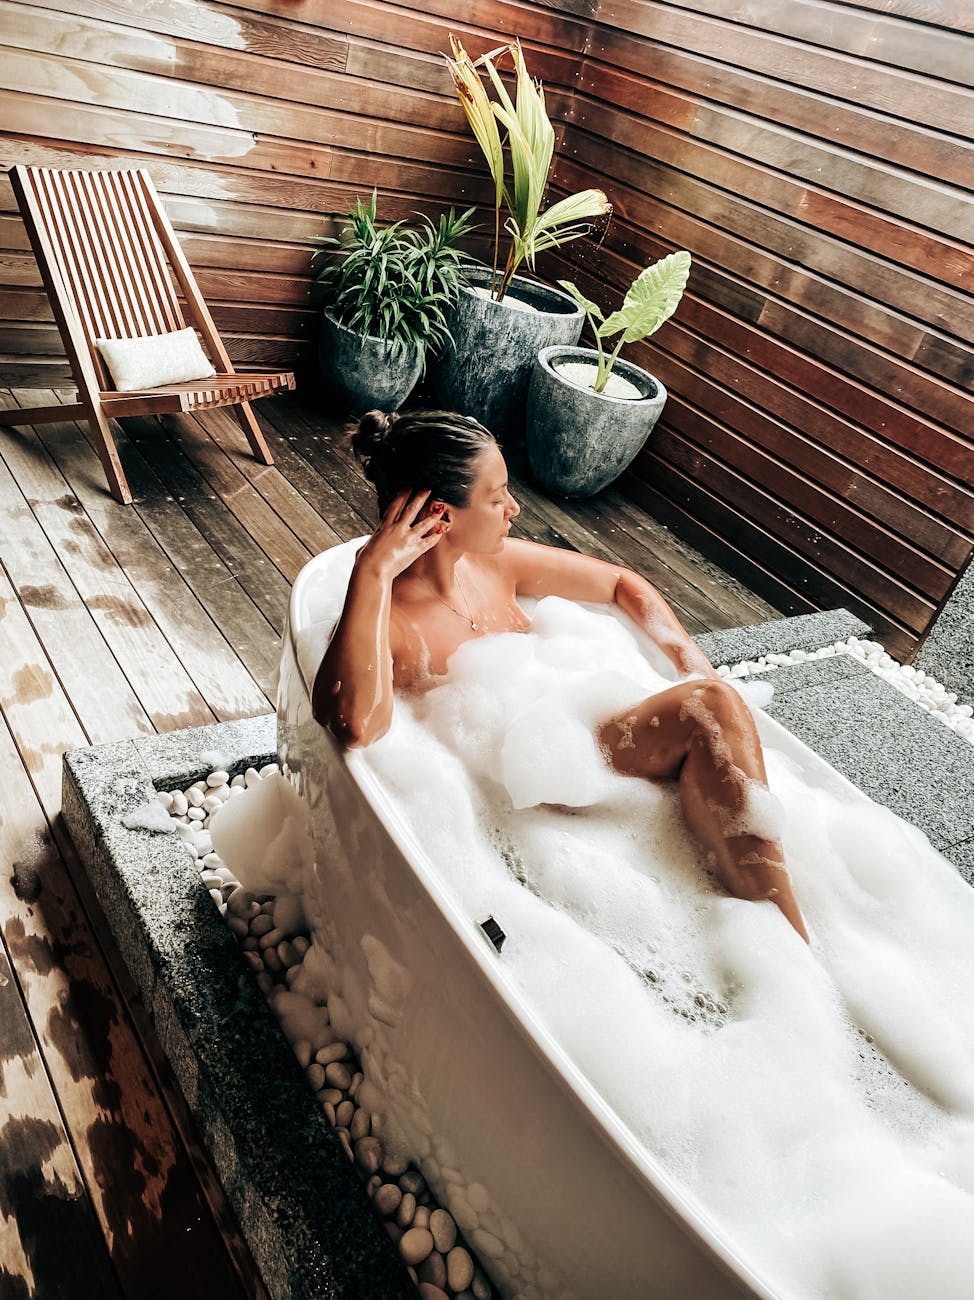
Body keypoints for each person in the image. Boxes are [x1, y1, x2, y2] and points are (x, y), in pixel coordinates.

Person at [313, 409, 809, 942]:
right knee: (710, 706)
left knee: (711, 698)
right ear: (442, 515)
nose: (514, 508)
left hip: (573, 747)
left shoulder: (493, 565)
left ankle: (776, 935)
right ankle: (789, 944)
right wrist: (371, 571)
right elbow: (357, 727)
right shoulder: (392, 620)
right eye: (497, 497)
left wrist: (691, 664)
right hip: (536, 778)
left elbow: (621, 584)